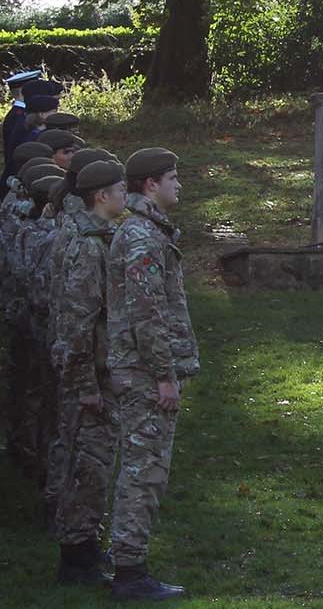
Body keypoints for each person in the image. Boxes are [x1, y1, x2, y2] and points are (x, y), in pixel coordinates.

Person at [107, 147, 199, 598]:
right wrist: (165, 374)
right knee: (143, 472)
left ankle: (127, 562)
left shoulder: (147, 232)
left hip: (142, 369)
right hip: (144, 373)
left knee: (143, 469)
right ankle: (129, 571)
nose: (178, 185)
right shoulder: (143, 237)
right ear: (151, 185)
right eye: (173, 178)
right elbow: (147, 314)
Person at [51, 156, 127, 586]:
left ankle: (85, 547)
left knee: (94, 465)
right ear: (102, 196)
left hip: (96, 372)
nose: (124, 197)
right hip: (90, 378)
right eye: (119, 191)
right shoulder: (88, 245)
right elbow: (77, 322)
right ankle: (76, 557)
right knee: (89, 466)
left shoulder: (98, 237)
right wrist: (85, 386)